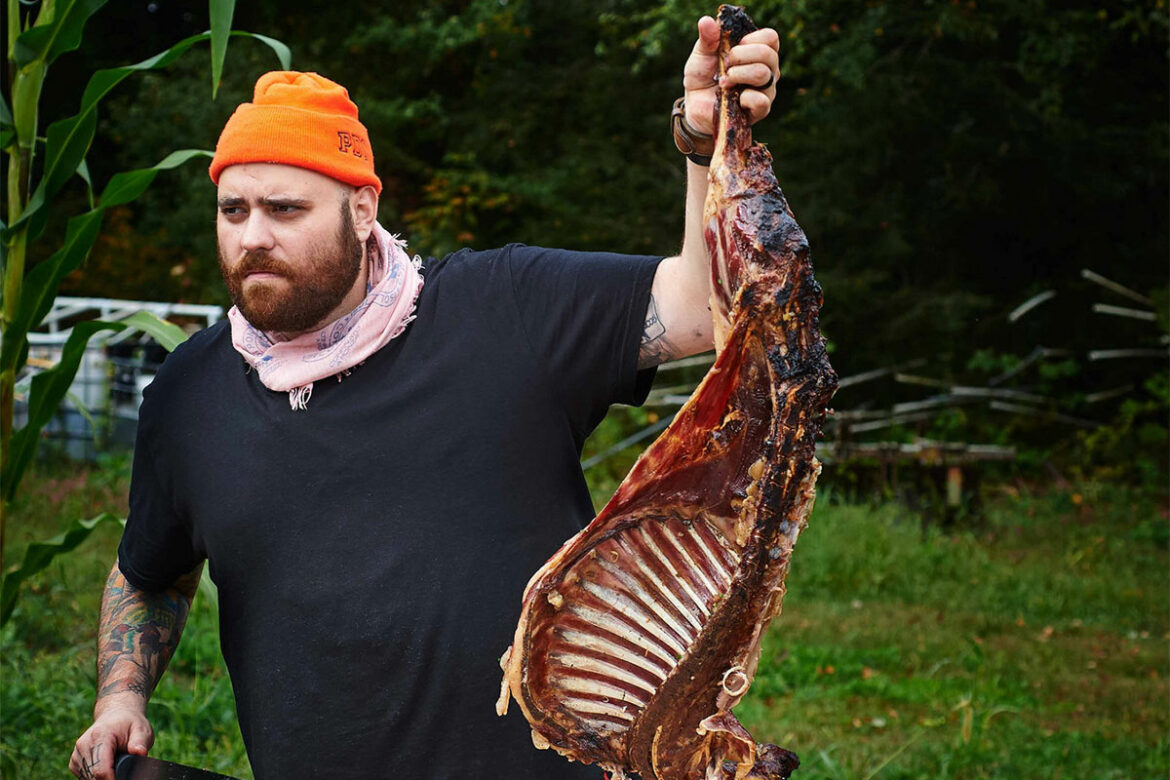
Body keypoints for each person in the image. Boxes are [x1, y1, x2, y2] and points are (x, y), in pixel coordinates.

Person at [70, 14, 780, 780]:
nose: (252, 238)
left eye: (285, 210)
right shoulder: (190, 393)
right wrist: (120, 697)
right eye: (233, 210)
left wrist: (708, 147)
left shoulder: (502, 310)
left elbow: (700, 304)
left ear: (363, 208)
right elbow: (149, 572)